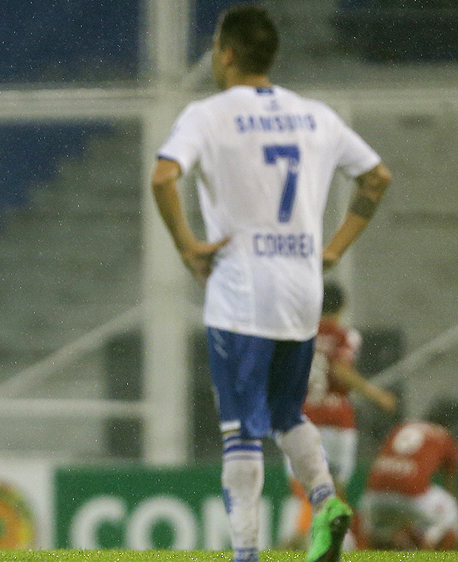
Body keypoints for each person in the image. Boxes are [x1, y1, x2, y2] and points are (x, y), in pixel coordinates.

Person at [150, 5, 392, 562]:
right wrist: (332, 249)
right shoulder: (315, 117)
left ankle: (246, 553)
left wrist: (188, 245)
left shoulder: (208, 115)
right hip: (301, 290)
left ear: (228, 53)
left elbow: (164, 176)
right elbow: (377, 179)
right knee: (288, 416)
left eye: (215, 46)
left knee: (239, 428)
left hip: (241, 291)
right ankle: (329, 501)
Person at [284, 281, 397, 549]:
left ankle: (298, 544)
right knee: (335, 492)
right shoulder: (345, 335)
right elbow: (340, 370)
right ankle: (346, 545)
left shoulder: (299, 335)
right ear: (342, 307)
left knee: (305, 492)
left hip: (303, 419)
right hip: (337, 424)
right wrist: (376, 394)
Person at [359, 401, 458, 550]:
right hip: (412, 497)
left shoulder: (401, 427)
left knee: (380, 540)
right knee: (451, 512)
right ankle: (432, 544)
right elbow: (451, 477)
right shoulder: (442, 434)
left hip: (373, 496)